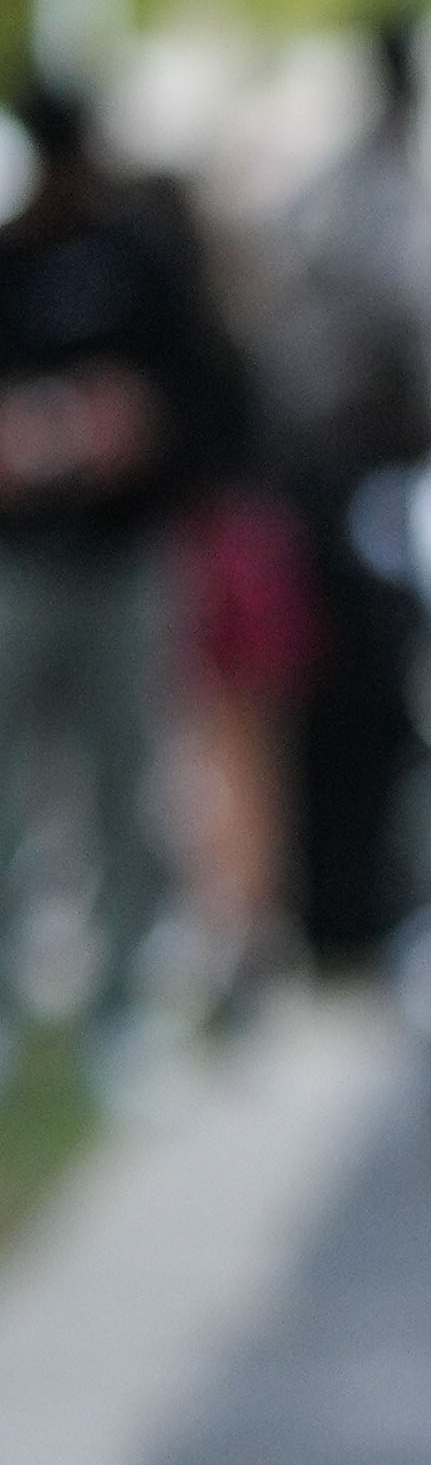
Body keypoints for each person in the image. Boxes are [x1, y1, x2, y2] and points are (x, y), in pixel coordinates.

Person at [0, 72, 248, 1044]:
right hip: (24, 557)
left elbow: (199, 400)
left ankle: (122, 997)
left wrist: (131, 424)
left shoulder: (139, 261)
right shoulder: (14, 260)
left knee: (124, 772)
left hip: (122, 552)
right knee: (16, 778)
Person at [250, 0, 431, 973]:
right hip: (351, 479)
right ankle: (345, 908)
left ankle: (345, 905)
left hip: (342, 477)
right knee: (355, 707)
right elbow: (398, 337)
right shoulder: (380, 192)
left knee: (351, 710)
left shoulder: (338, 189)